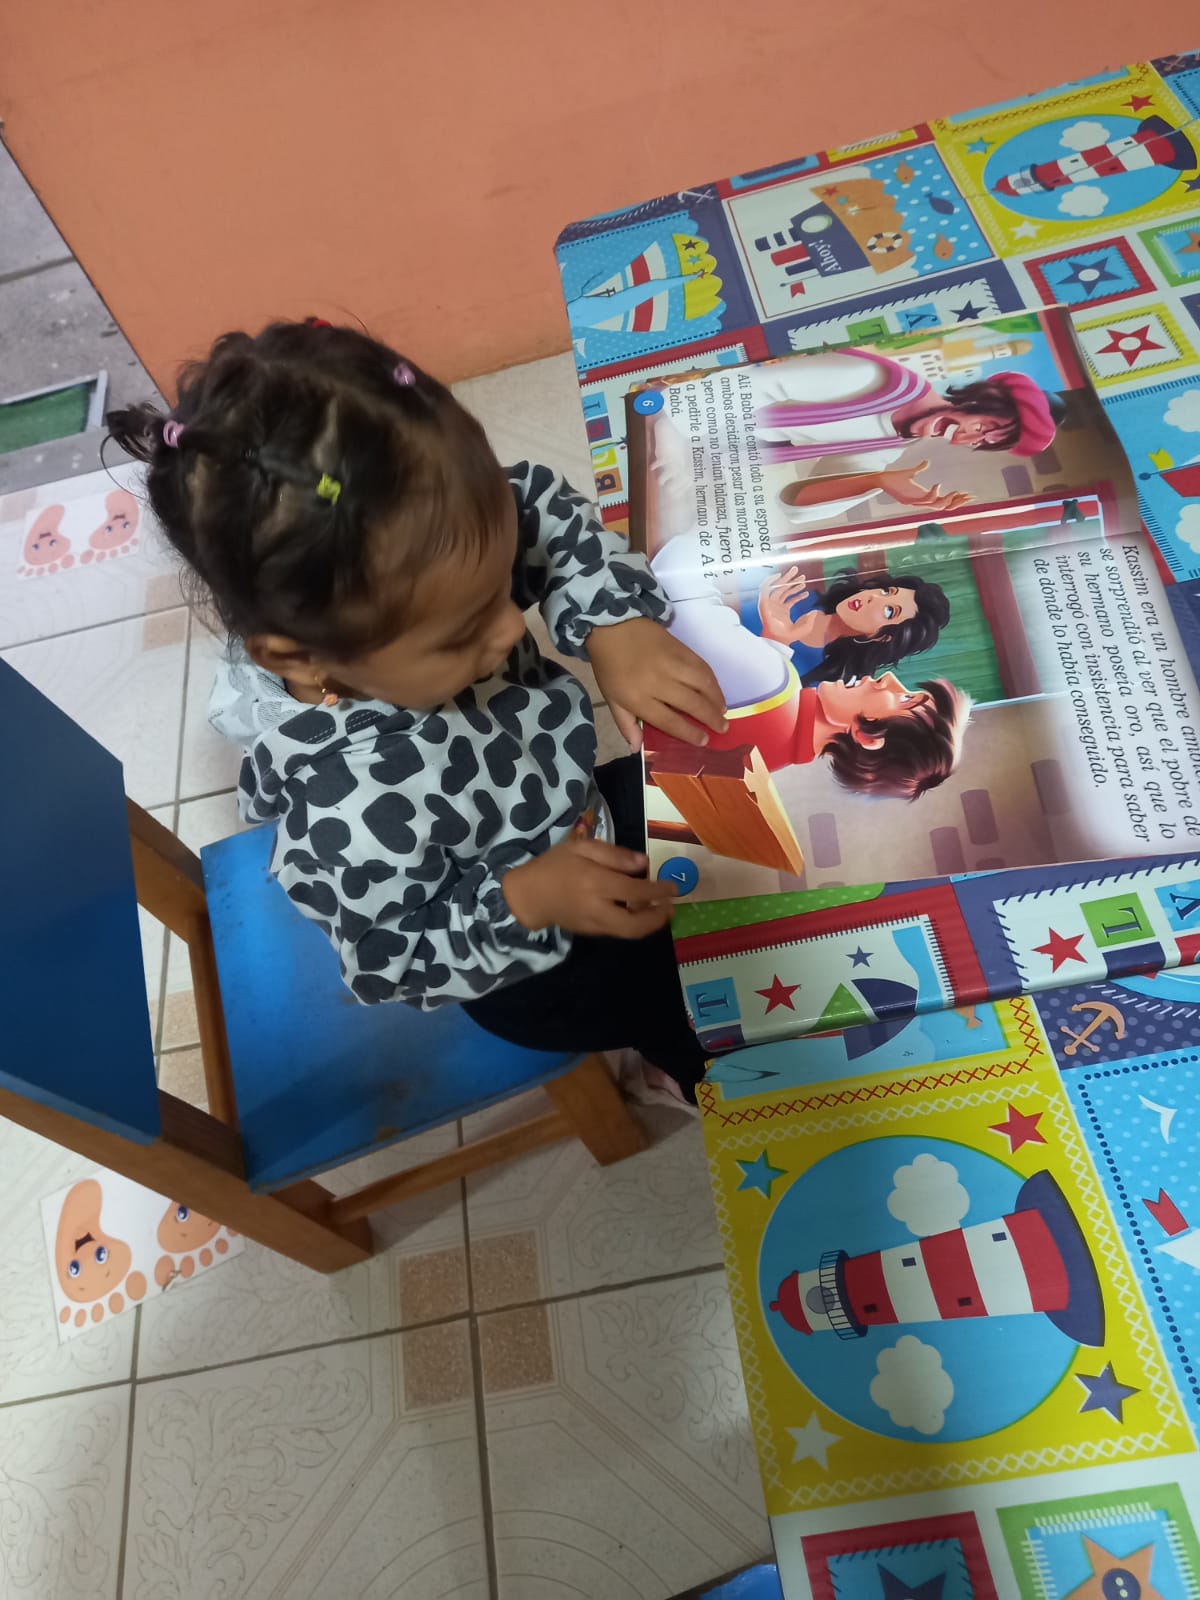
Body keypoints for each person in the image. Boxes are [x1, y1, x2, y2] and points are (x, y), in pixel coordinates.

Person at [106, 319, 729, 1099]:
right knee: (687, 1011)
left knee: (726, 808)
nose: (511, 628)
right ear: (301, 659)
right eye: (464, 631)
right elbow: (390, 961)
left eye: (500, 584)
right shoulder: (347, 808)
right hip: (538, 961)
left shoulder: (434, 548)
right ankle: (675, 1067)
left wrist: (612, 622)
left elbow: (538, 510)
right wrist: (527, 899)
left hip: (577, 806)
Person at [751, 348, 1063, 524]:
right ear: (982, 399)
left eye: (981, 441)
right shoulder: (876, 380)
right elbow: (753, 383)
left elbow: (796, 505)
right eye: (983, 427)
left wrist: (878, 481)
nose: (962, 439)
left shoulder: (891, 446)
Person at [754, 565, 950, 686]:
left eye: (889, 611)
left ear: (884, 637)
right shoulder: (796, 597)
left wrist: (775, 643)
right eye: (886, 591)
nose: (874, 597)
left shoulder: (832, 682)